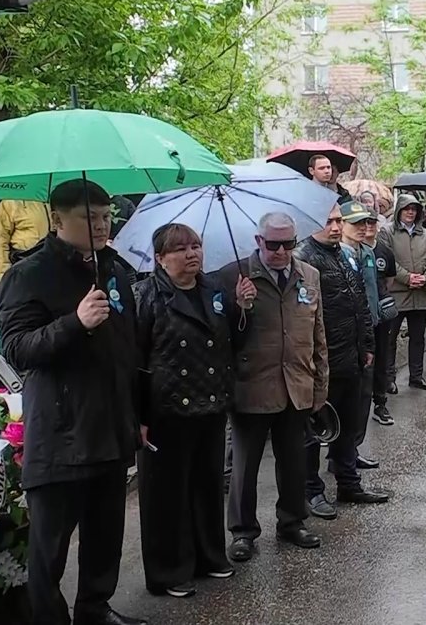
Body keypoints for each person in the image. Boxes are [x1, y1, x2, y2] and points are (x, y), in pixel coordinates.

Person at [0, 179, 144, 625]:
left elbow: (128, 349)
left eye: (105, 217)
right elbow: (18, 349)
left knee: (105, 536)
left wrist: (137, 414)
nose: (101, 226)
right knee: (50, 549)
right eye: (89, 218)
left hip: (111, 425)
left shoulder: (114, 269)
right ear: (58, 220)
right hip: (61, 434)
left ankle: (95, 609)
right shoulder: (29, 274)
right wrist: (74, 323)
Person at [133, 224, 239, 598]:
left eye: (196, 246)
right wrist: (139, 416)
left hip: (210, 403)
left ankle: (210, 556)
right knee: (166, 494)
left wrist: (245, 308)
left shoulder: (214, 290)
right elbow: (135, 360)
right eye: (180, 249)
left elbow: (234, 342)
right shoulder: (145, 296)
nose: (192, 254)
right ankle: (168, 570)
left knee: (208, 484)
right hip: (165, 410)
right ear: (160, 258)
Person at [216, 212, 326, 562]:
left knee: (294, 461)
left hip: (296, 383)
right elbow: (223, 336)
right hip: (252, 386)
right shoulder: (234, 275)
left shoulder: (309, 274)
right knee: (245, 466)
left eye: (288, 244)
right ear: (258, 241)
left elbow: (317, 331)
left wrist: (320, 383)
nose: (281, 251)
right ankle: (243, 532)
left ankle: (292, 522)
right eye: (273, 244)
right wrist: (240, 307)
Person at [296, 204, 390, 519]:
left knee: (348, 425)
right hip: (322, 362)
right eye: (329, 221)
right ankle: (311, 490)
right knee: (317, 430)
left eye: (338, 221)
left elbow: (359, 301)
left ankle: (349, 483)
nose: (336, 227)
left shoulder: (344, 254)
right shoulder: (304, 259)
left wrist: (366, 343)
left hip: (351, 356)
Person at [338, 200, 386, 465]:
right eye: (355, 223)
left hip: (370, 329)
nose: (363, 227)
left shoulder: (367, 253)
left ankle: (353, 449)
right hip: (347, 336)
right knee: (347, 397)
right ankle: (341, 452)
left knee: (364, 395)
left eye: (366, 222)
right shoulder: (338, 255)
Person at [380, 193, 426, 392]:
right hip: (397, 293)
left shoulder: (425, 234)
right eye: (406, 209)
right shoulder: (387, 232)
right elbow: (387, 259)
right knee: (390, 339)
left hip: (420, 294)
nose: (410, 213)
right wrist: (407, 277)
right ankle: (388, 378)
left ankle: (416, 376)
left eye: (414, 209)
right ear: (399, 211)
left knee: (418, 338)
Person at [364, 208, 398, 424]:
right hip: (358, 318)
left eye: (371, 223)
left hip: (380, 315)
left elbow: (389, 281)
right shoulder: (347, 251)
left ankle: (380, 403)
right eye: (362, 223)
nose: (367, 228)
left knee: (381, 358)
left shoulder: (385, 251)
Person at [0, 199, 51, 279]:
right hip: (24, 265)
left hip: (50, 263)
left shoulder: (48, 198)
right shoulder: (10, 202)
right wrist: (4, 275)